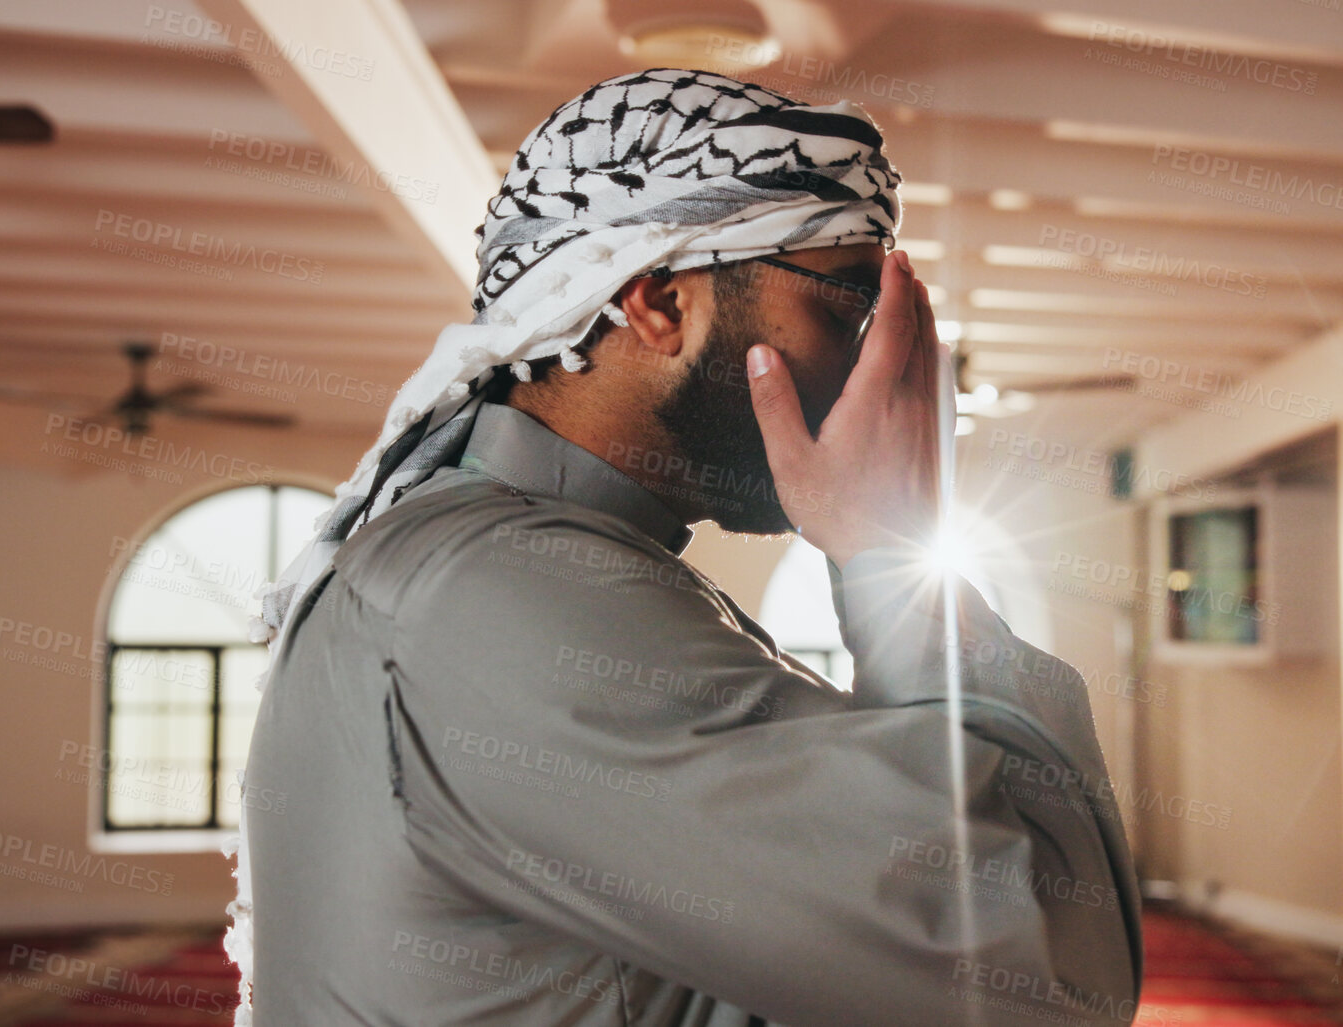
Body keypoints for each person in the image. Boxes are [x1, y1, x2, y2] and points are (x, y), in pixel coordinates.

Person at [232, 67, 1141, 1026]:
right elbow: (1045, 976)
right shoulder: (504, 592)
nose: (881, 367)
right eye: (845, 313)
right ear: (660, 301)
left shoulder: (505, 558)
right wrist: (892, 548)